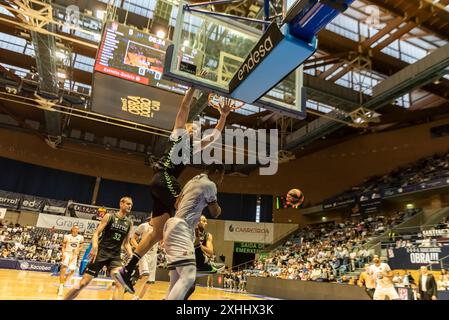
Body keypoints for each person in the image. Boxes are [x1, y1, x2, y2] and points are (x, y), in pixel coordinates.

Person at [116, 80, 233, 292]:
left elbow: (214, 137)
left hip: (160, 184)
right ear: (185, 128)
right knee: (187, 211)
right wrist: (194, 86)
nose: (196, 130)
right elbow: (184, 108)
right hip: (164, 178)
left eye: (198, 130)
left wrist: (223, 116)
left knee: (157, 233)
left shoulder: (193, 147)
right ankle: (199, 259)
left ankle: (128, 269)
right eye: (193, 127)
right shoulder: (178, 134)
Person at [163, 164, 225, 300]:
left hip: (172, 226)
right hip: (181, 228)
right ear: (216, 172)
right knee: (189, 277)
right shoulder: (209, 184)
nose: (221, 180)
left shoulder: (192, 181)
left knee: (176, 280)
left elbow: (176, 204)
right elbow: (215, 213)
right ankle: (202, 264)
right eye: (221, 176)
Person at [64, 197, 134, 300]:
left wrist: (131, 254)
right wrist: (95, 247)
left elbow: (126, 243)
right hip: (101, 252)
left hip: (115, 256)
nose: (129, 206)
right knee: (83, 283)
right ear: (121, 204)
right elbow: (96, 233)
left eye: (131, 204)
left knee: (121, 283)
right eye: (128, 203)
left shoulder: (129, 223)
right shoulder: (109, 217)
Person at [130, 217, 159, 300]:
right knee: (145, 276)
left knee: (149, 282)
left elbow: (161, 241)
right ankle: (133, 294)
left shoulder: (159, 228)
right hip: (144, 254)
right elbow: (132, 239)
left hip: (153, 256)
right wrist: (139, 248)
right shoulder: (143, 226)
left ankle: (138, 298)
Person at [57, 226, 84, 296]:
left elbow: (81, 246)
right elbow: (63, 246)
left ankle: (63, 283)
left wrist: (78, 250)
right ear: (72, 229)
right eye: (75, 228)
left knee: (72, 271)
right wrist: (63, 254)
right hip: (67, 253)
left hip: (74, 255)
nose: (77, 230)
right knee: (63, 268)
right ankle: (60, 287)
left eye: (78, 229)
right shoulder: (67, 236)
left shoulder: (81, 237)